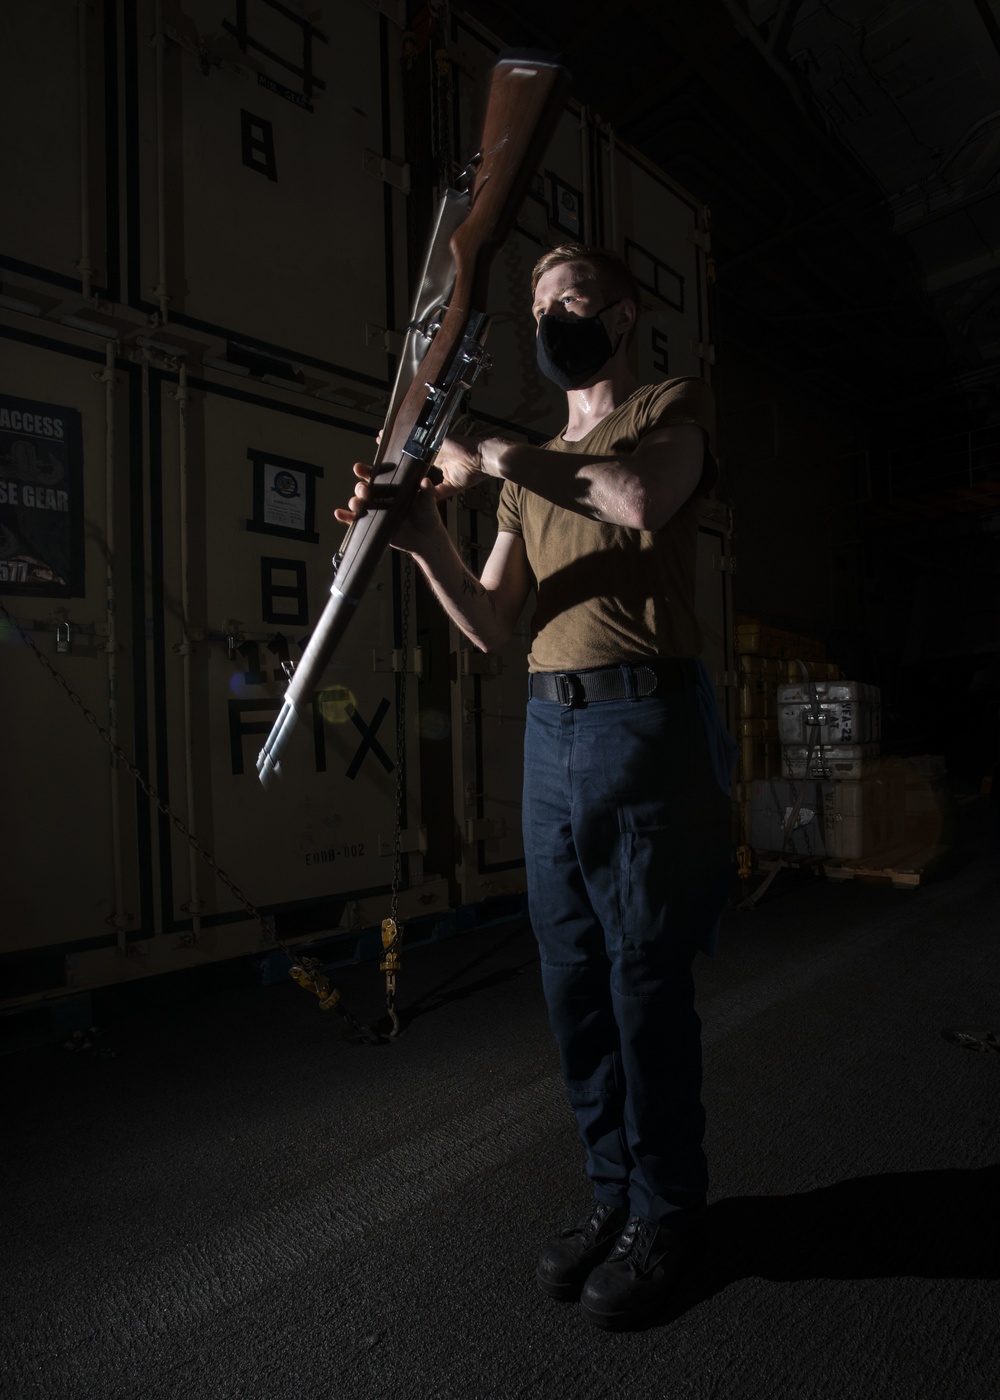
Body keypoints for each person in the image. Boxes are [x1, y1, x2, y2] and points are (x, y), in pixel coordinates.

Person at [337, 243, 736, 1330]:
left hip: (640, 718)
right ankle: (613, 1195)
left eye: (569, 301)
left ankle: (670, 1212)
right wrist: (424, 536)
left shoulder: (664, 405)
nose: (550, 318)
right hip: (552, 732)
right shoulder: (530, 470)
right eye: (536, 306)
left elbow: (642, 500)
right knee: (572, 981)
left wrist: (499, 456)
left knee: (642, 977)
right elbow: (494, 627)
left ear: (621, 312)